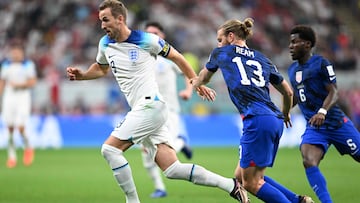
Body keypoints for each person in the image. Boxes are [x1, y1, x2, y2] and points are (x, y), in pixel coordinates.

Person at [66, 1, 246, 202]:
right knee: (172, 169)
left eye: (106, 20)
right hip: (144, 110)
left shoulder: (147, 40)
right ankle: (231, 185)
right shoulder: (105, 44)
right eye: (101, 21)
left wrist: (196, 83)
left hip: (151, 105)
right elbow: (101, 68)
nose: (102, 25)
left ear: (120, 19)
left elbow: (178, 57)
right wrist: (82, 75)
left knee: (110, 150)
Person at [191, 18, 313, 203]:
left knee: (251, 183)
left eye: (220, 39)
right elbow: (288, 91)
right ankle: (300, 201)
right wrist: (286, 113)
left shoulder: (222, 53)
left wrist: (195, 83)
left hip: (256, 120)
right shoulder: (263, 59)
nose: (218, 43)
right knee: (242, 177)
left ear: (231, 37)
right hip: (274, 119)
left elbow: (204, 77)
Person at [287, 25, 360, 203]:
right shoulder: (292, 70)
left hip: (336, 124)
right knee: (308, 160)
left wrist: (322, 111)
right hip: (315, 127)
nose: (290, 46)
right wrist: (283, 110)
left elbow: (334, 92)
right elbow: (297, 96)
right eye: (290, 42)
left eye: (294, 42)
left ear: (307, 44)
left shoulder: (321, 63)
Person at [141, 21, 193, 198]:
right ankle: (159, 187)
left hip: (169, 109)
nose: (152, 36)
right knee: (146, 150)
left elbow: (187, 72)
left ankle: (181, 143)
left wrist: (188, 90)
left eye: (155, 32)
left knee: (168, 148)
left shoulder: (169, 57)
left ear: (162, 36)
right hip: (147, 110)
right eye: (148, 33)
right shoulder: (141, 57)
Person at [0, 43, 37, 168]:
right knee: (9, 128)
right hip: (9, 97)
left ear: (22, 53)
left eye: (17, 52)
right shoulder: (6, 65)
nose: (15, 54)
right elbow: (2, 82)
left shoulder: (28, 65)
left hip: (23, 97)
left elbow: (32, 82)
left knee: (20, 127)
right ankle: (12, 157)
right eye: (13, 51)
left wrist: (19, 85)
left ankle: (28, 147)